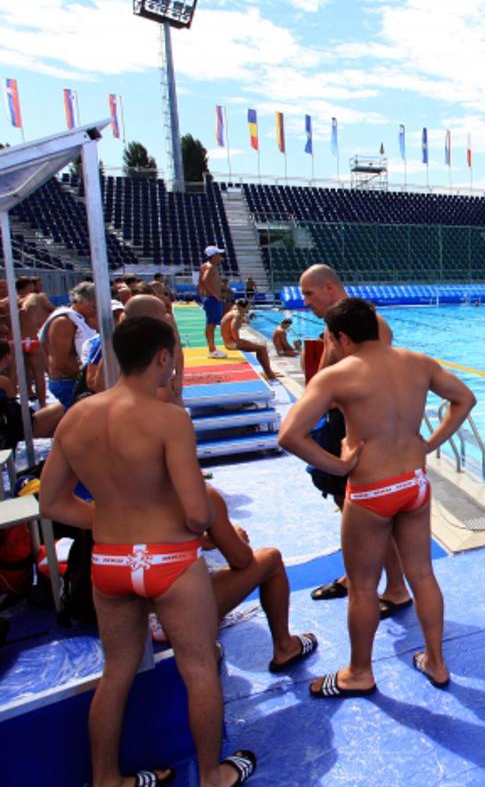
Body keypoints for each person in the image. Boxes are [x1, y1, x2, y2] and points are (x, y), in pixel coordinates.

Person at [38, 316, 256, 786]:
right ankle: (212, 774)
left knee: (116, 672)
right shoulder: (168, 419)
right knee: (197, 665)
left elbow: (51, 502)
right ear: (162, 357)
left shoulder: (76, 415)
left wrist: (114, 521)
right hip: (169, 561)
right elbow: (198, 514)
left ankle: (105, 779)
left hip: (110, 560)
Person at [279, 298, 475, 697]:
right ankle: (436, 661)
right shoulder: (418, 362)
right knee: (422, 574)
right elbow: (465, 399)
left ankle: (359, 672)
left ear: (341, 337)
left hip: (371, 489)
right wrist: (431, 443)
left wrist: (338, 466)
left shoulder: (337, 376)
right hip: (414, 482)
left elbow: (289, 435)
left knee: (364, 586)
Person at [298, 264, 411, 614]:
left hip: (360, 433)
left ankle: (395, 588)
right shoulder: (337, 325)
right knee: (349, 506)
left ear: (330, 288)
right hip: (341, 426)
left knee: (374, 510)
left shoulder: (370, 324)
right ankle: (357, 575)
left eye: (309, 293)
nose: (305, 302)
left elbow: (375, 375)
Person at [146, 485, 318, 674]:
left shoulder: (117, 488)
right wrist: (228, 536)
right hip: (179, 614)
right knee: (271, 558)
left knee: (117, 673)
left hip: (129, 614)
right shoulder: (199, 494)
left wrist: (201, 540)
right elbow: (241, 559)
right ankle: (285, 646)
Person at [84, 295, 185, 404]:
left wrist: (178, 376)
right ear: (152, 317)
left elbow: (176, 348)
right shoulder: (114, 345)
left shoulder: (161, 339)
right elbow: (98, 385)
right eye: (163, 314)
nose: (168, 317)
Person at [39, 281, 98, 409]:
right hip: (67, 381)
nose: (97, 310)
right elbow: (61, 360)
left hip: (76, 379)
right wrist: (86, 380)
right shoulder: (63, 322)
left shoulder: (83, 319)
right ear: (80, 301)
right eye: (94, 306)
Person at [16, 276, 53, 405]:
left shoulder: (10, 300)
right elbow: (31, 305)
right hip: (31, 339)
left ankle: (29, 395)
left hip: (18, 339)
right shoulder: (34, 297)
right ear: (29, 286)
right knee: (39, 373)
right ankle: (42, 403)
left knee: (24, 370)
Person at [221, 300, 278, 380]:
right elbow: (233, 327)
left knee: (261, 345)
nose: (249, 308)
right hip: (232, 343)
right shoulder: (238, 314)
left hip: (228, 340)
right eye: (248, 306)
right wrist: (238, 340)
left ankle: (268, 371)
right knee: (262, 348)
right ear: (243, 307)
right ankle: (270, 374)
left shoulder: (234, 310)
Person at [199, 246, 228, 358]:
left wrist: (204, 294)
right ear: (214, 255)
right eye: (218, 255)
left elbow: (201, 282)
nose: (220, 257)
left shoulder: (205, 266)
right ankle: (212, 350)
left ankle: (212, 348)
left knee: (211, 324)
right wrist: (215, 295)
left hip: (209, 298)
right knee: (211, 325)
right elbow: (204, 280)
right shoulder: (211, 267)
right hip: (212, 299)